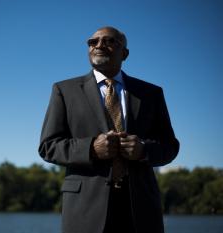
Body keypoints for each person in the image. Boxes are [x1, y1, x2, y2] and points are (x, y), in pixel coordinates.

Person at [38, 26, 180, 233]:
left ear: (125, 53)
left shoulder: (151, 93)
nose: (99, 45)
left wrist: (143, 150)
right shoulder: (64, 91)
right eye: (93, 42)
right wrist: (91, 148)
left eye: (109, 41)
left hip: (141, 210)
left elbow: (169, 146)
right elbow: (48, 146)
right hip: (84, 209)